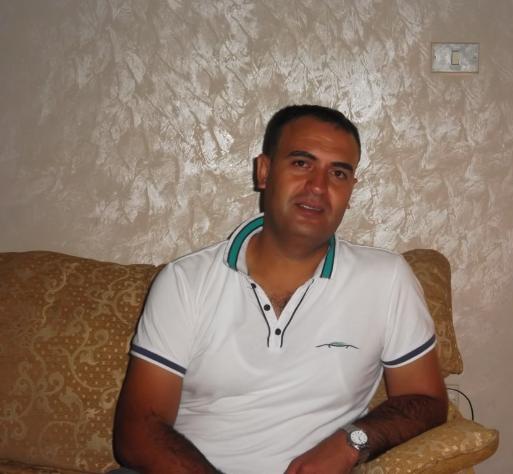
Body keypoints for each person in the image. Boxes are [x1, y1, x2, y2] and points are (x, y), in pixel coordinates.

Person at [112, 104, 447, 474]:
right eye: (301, 163)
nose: (318, 187)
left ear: (351, 189)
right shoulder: (184, 281)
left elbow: (426, 400)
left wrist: (351, 442)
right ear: (264, 171)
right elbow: (138, 430)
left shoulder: (386, 278)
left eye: (338, 173)